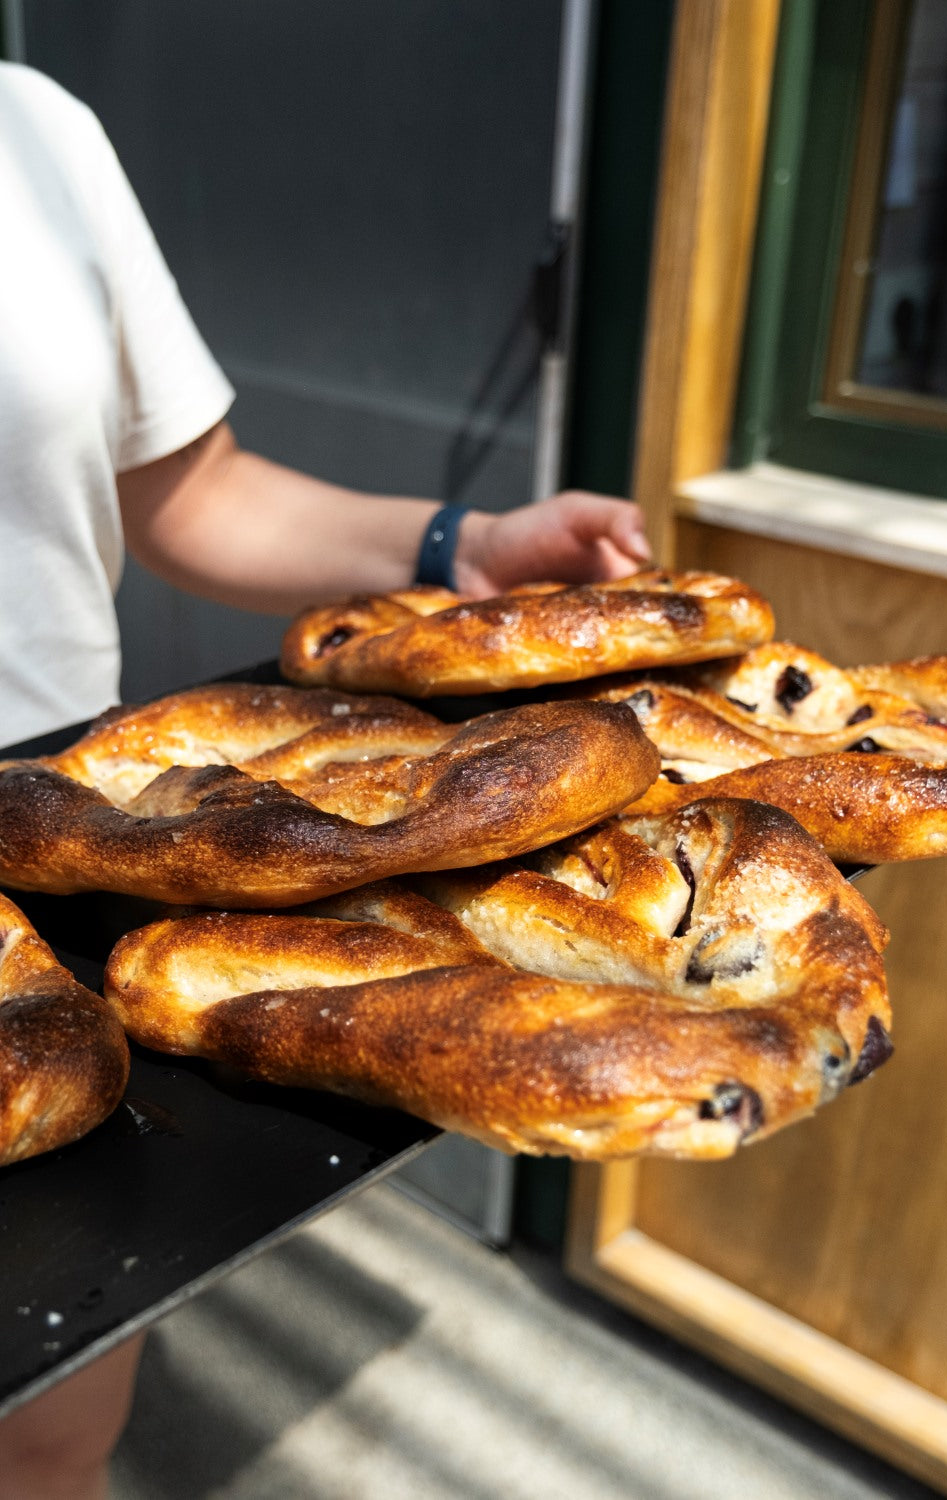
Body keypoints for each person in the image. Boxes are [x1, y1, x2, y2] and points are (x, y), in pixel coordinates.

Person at [0, 58, 652, 1498]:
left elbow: (195, 492)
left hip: (73, 871)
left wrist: (459, 551)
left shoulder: (36, 133)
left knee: (45, 1422)